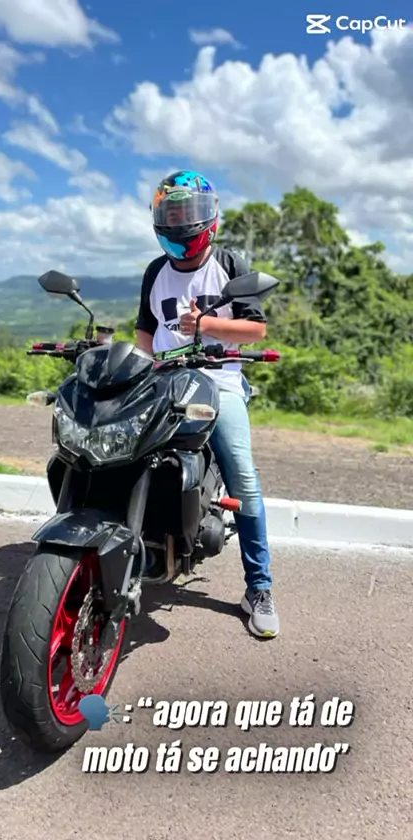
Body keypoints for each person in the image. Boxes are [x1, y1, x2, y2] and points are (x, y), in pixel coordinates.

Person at [134, 170, 279, 639]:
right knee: (123, 453)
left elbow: (256, 329)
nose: (180, 222)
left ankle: (259, 588)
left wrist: (206, 326)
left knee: (243, 478)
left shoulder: (229, 263)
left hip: (220, 382)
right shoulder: (155, 272)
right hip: (164, 381)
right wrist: (140, 368)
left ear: (208, 217)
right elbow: (145, 331)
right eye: (172, 213)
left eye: (187, 213)